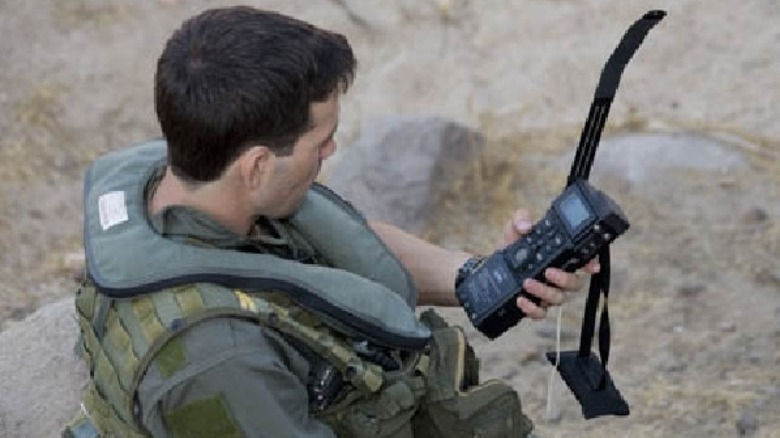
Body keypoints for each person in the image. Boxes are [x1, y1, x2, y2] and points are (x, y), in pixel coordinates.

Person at [65, 6, 598, 438]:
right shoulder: (219, 360)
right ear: (256, 166)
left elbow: (342, 246)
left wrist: (483, 274)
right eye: (321, 142)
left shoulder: (201, 185)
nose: (333, 150)